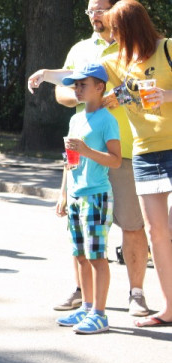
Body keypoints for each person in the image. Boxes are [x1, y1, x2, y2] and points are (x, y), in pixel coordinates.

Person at [51, 0, 150, 316]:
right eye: (90, 11)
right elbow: (62, 92)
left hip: (128, 150)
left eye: (101, 9)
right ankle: (83, 292)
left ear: (115, 12)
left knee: (132, 226)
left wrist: (113, 95)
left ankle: (136, 294)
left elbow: (142, 86)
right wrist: (83, 93)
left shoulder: (134, 47)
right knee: (81, 226)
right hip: (84, 150)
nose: (95, 15)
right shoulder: (81, 49)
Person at [104, 0, 172, 327]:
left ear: (132, 28)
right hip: (145, 155)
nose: (113, 36)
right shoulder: (118, 62)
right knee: (157, 232)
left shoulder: (168, 49)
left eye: (117, 30)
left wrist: (167, 96)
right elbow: (79, 78)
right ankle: (170, 308)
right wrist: (47, 75)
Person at [51, 64, 122, 334]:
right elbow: (69, 161)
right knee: (79, 255)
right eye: (75, 85)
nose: (77, 89)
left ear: (100, 87)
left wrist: (87, 150)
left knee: (96, 257)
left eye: (83, 85)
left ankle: (100, 314)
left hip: (97, 195)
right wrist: (63, 193)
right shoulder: (75, 119)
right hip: (77, 195)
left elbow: (115, 161)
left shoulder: (107, 120)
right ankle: (86, 306)